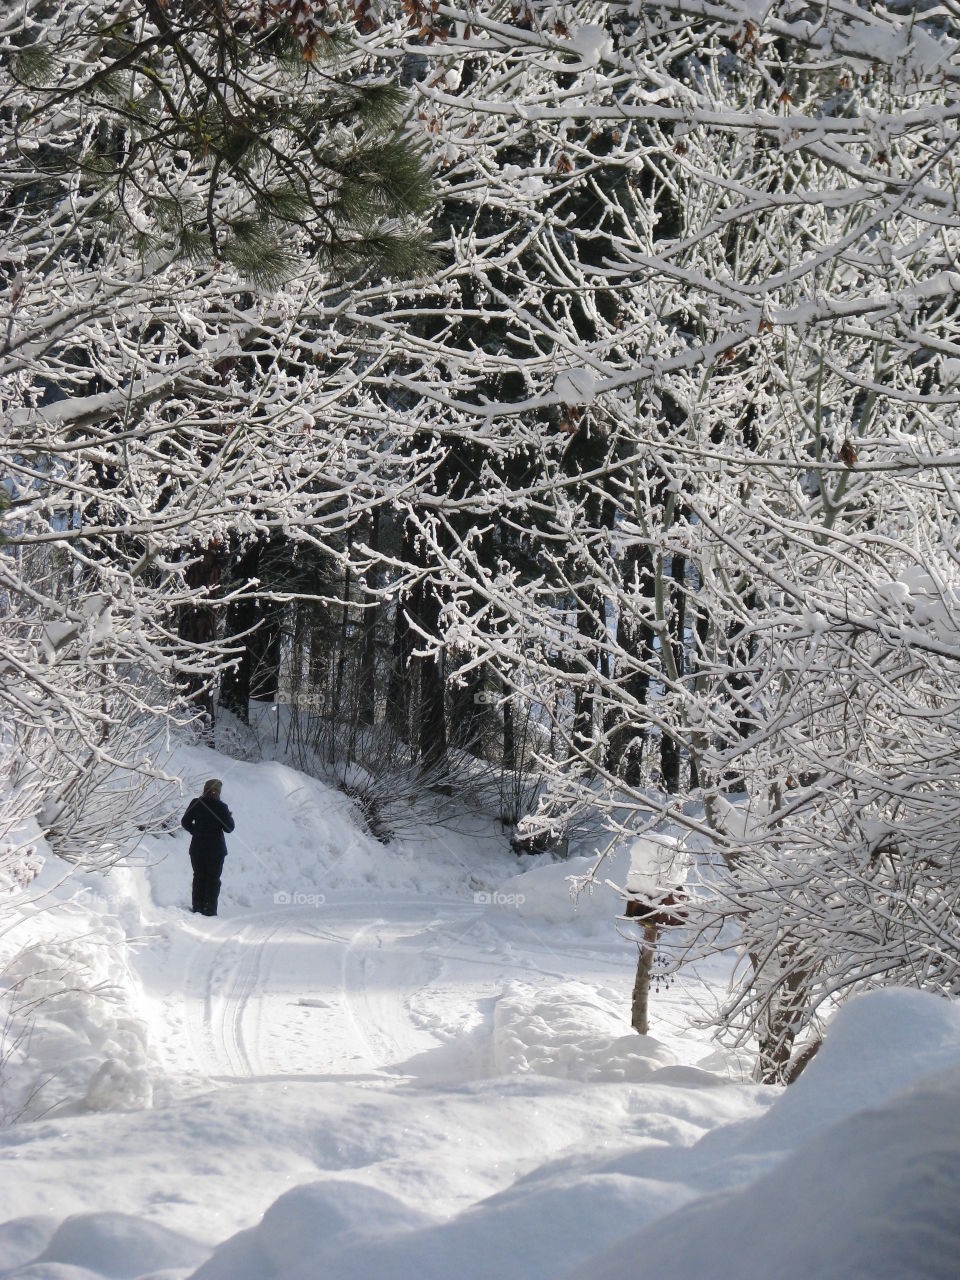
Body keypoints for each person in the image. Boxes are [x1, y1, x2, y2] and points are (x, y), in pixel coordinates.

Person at [181, 778, 235, 916]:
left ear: (205, 790)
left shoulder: (196, 803)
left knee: (198, 877)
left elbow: (185, 821)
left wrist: (196, 831)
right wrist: (228, 816)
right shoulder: (222, 807)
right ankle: (209, 909)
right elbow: (229, 828)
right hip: (216, 850)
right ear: (218, 791)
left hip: (197, 848)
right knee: (213, 879)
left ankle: (197, 907)